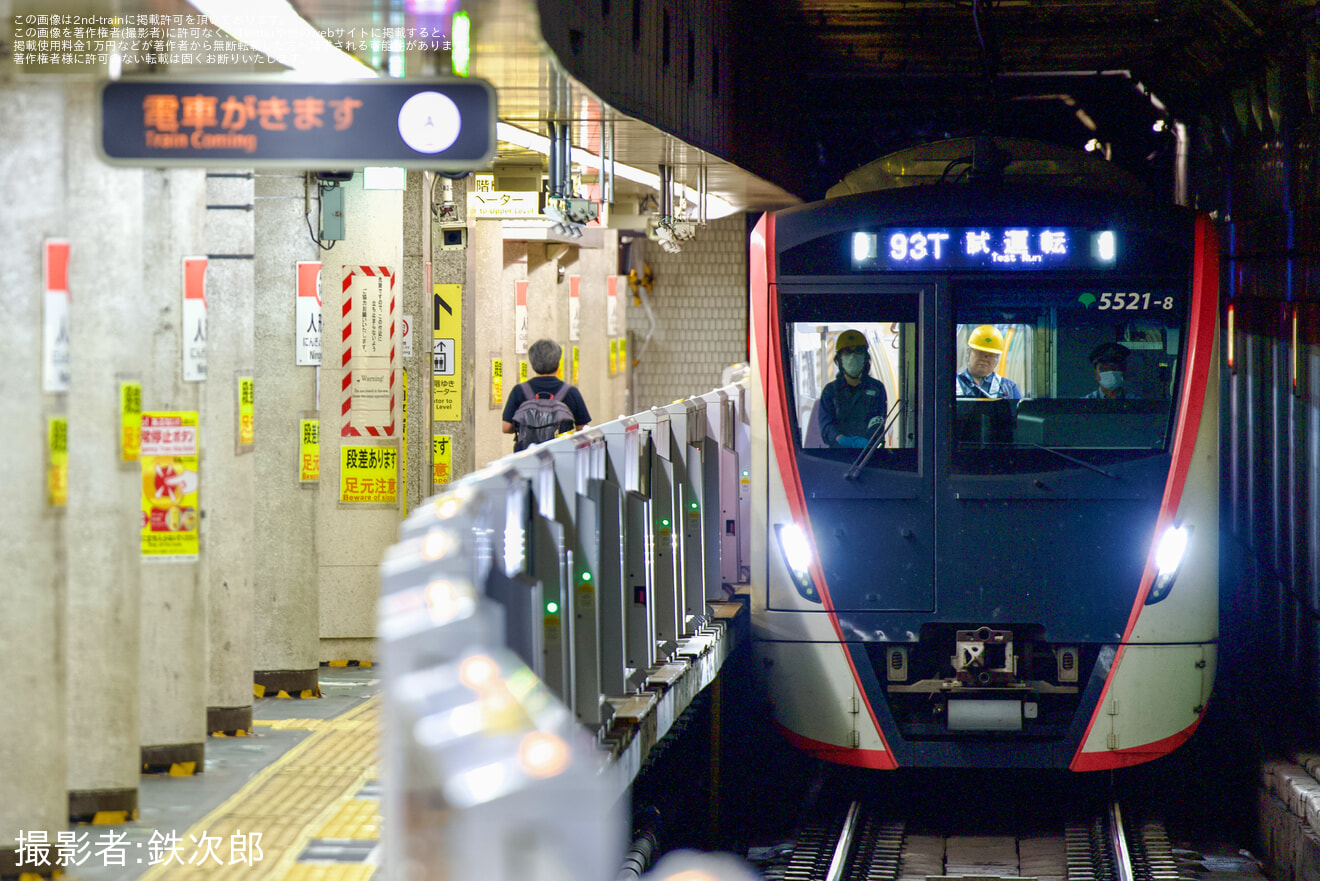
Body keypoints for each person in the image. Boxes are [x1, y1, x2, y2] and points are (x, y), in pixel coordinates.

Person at [502, 339, 591, 450]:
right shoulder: (570, 392)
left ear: (532, 362)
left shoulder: (519, 390)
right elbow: (583, 428)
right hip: (561, 455)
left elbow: (506, 427)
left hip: (526, 456)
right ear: (558, 362)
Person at [818, 329, 888, 449]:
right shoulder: (830, 391)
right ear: (839, 359)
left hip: (870, 455)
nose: (852, 357)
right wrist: (839, 438)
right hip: (838, 457)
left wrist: (867, 439)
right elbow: (826, 425)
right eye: (847, 353)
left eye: (858, 352)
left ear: (865, 358)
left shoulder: (877, 389)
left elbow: (878, 421)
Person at [955, 325, 1021, 399]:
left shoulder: (1009, 388)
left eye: (991, 355)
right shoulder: (951, 385)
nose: (985, 359)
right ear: (968, 353)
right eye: (980, 353)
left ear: (997, 359)